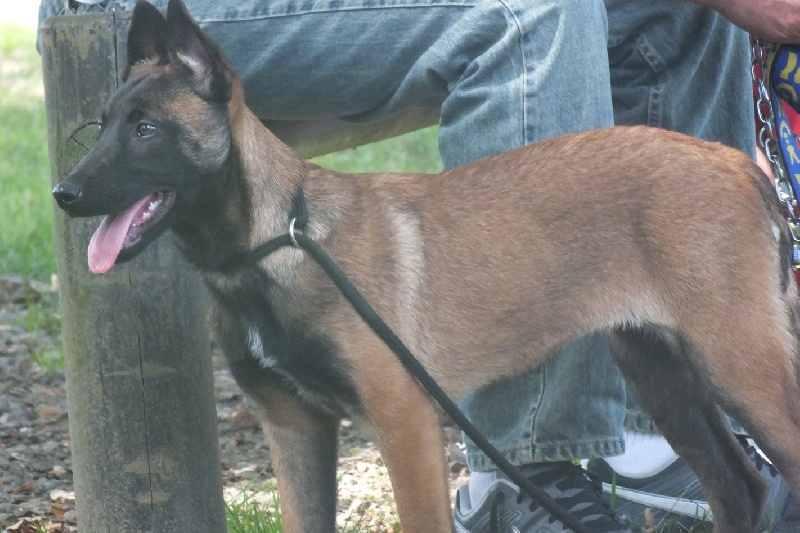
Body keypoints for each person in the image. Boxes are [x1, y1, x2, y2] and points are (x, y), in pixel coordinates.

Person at [38, 0, 800, 530]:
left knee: (675, 15)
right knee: (529, 9)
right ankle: (522, 477)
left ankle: (642, 455)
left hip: (686, 218)